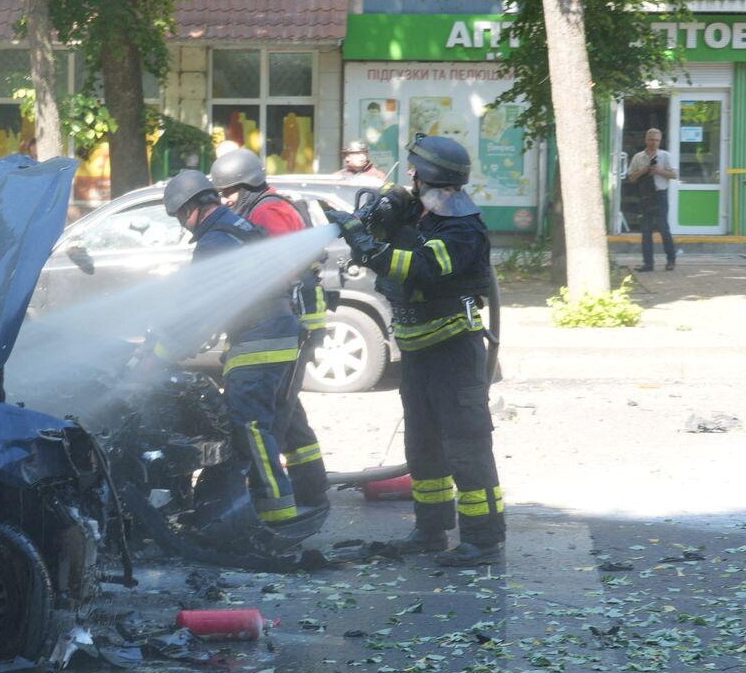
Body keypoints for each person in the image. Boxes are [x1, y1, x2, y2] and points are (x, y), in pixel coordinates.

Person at [335, 133, 504, 566]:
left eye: (416, 171)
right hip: (418, 353)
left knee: (466, 449)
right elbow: (393, 224)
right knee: (423, 447)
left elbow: (421, 267)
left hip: (453, 352)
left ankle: (482, 541)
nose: (409, 176)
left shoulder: (462, 228)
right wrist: (376, 214)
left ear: (433, 177)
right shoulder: (423, 211)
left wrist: (369, 248)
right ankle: (430, 530)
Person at [159, 170, 304, 530]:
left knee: (250, 428)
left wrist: (161, 353)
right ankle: (263, 506)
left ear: (192, 207)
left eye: (180, 216)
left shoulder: (214, 243)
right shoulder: (238, 227)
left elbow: (197, 309)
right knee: (264, 427)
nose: (183, 225)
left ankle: (277, 517)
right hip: (277, 335)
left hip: (260, 343)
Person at [208, 148, 329, 507]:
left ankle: (281, 499)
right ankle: (311, 487)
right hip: (296, 319)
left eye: (229, 193)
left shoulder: (269, 210)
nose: (226, 201)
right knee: (287, 410)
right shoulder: (268, 206)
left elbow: (276, 268)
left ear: (246, 187)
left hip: (296, 321)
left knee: (277, 414)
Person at [625, 128, 678, 272]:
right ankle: (648, 263)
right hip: (645, 196)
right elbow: (630, 178)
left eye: (657, 140)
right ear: (646, 140)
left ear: (660, 141)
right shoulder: (638, 157)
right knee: (646, 230)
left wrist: (659, 171)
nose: (654, 143)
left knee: (663, 228)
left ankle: (671, 260)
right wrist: (644, 170)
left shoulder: (665, 156)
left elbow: (674, 175)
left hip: (660, 195)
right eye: (651, 140)